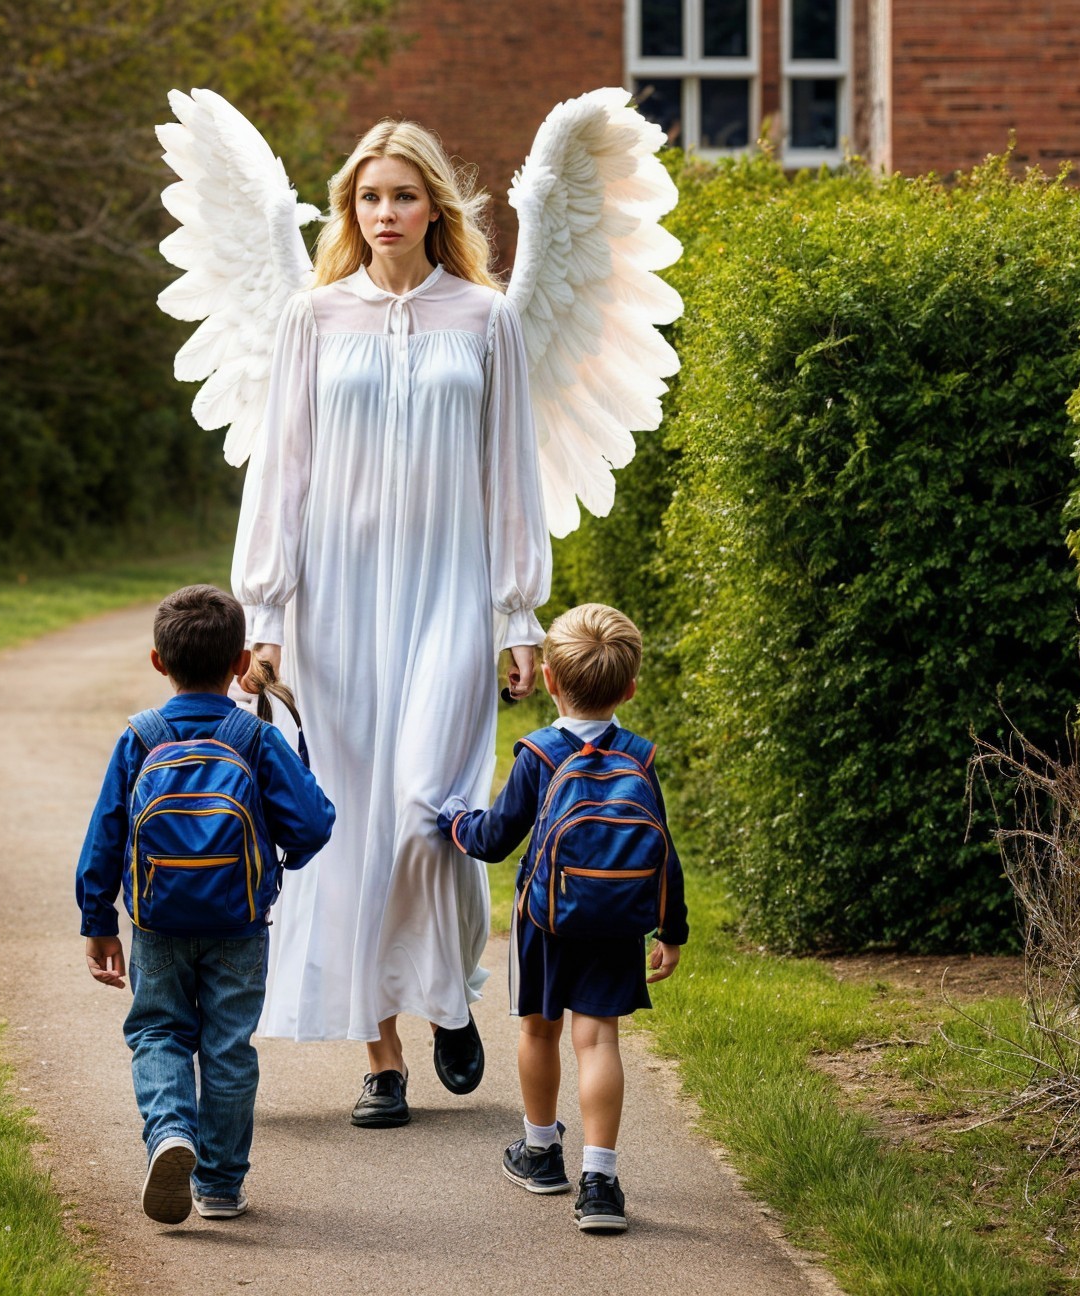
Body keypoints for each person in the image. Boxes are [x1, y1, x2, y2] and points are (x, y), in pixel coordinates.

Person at [235, 118, 551, 1127]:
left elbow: (512, 475)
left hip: (450, 596)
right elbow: (279, 473)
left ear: (434, 209)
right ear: (350, 211)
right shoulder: (313, 318)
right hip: (335, 605)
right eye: (369, 199)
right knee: (349, 828)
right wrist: (267, 611)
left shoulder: (486, 318)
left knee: (431, 814)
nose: (385, 215)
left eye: (403, 197)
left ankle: (445, 992)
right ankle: (380, 1058)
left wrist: (519, 615)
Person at [76, 584, 336, 1224]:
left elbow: (106, 834)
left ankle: (170, 1134)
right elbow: (313, 824)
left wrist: (98, 922)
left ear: (158, 662)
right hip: (238, 924)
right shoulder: (255, 738)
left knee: (159, 1031)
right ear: (240, 663)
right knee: (227, 1047)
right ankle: (219, 1186)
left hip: (158, 923)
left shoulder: (140, 737)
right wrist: (280, 861)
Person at [437, 603, 688, 1234]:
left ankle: (542, 1153)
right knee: (599, 1039)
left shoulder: (539, 753)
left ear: (549, 679)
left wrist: (454, 824)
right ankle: (600, 1183)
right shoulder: (640, 755)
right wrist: (672, 931)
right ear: (630, 688)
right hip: (620, 924)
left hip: (545, 922)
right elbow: (665, 852)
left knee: (540, 1032)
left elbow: (495, 838)